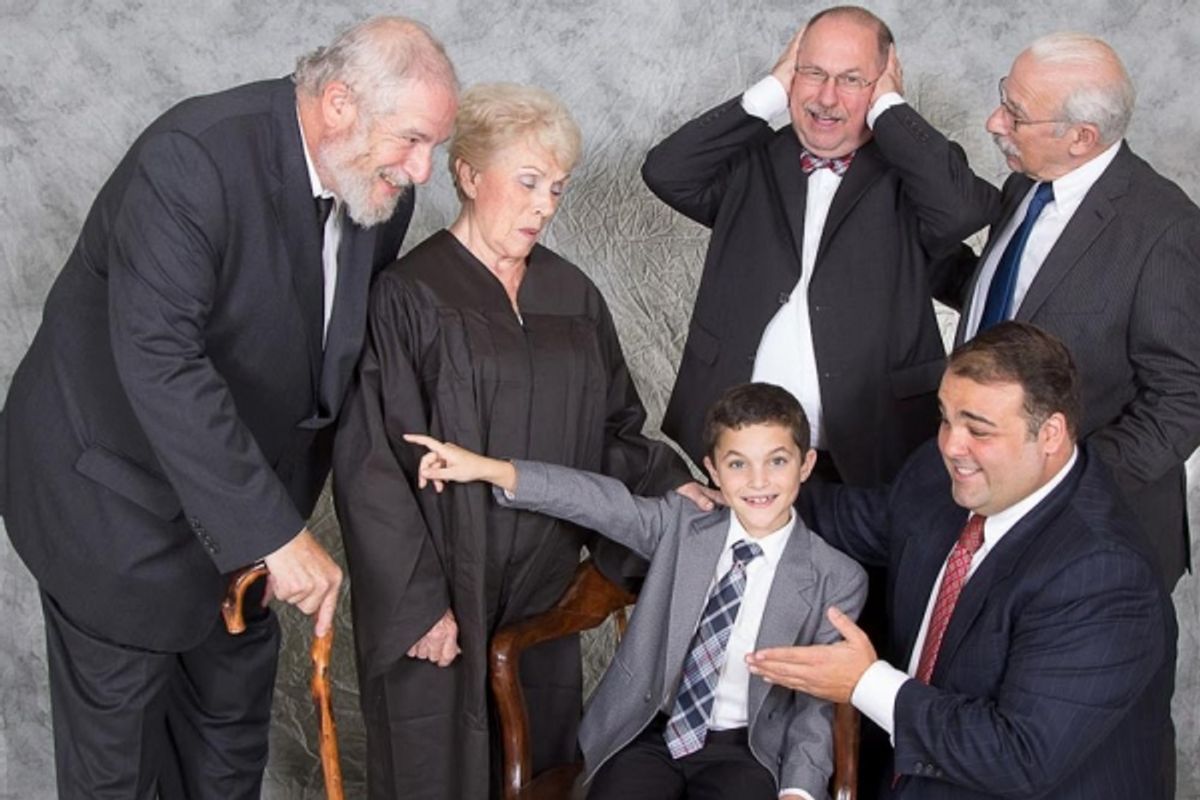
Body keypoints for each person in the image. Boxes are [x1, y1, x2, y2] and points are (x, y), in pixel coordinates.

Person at [0, 16, 457, 798]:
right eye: (412, 140)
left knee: (225, 758)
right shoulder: (193, 159)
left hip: (233, 532)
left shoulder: (374, 191)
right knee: (116, 777)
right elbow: (160, 360)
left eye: (433, 149)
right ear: (339, 104)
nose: (422, 170)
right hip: (110, 510)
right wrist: (277, 535)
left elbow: (328, 374)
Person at [332, 82, 702, 800]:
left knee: (536, 775)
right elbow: (372, 462)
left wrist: (673, 487)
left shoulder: (573, 296)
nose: (544, 206)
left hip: (543, 595)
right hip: (442, 595)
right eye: (528, 182)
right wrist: (416, 604)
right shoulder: (410, 295)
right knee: (431, 771)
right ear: (468, 175)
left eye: (557, 189)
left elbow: (615, 427)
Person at [747, 322, 1177, 799]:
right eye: (946, 418)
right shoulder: (942, 478)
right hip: (904, 774)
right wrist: (740, 495)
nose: (951, 445)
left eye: (978, 428)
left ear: (1051, 433)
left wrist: (865, 683)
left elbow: (1019, 756)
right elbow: (852, 519)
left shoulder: (1104, 575)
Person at [404, 381, 866, 800]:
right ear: (713, 470)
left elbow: (817, 706)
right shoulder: (683, 525)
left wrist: (799, 791)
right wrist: (487, 469)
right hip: (650, 732)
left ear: (806, 465)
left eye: (777, 461)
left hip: (745, 749)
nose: (758, 481)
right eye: (738, 464)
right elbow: (595, 501)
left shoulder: (836, 578)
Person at [642, 5, 999, 487]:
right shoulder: (751, 160)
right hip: (743, 450)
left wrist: (891, 110)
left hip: (870, 452)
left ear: (882, 84)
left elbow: (963, 211)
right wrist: (770, 91)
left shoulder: (913, 173)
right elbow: (666, 171)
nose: (827, 97)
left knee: (858, 565)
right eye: (813, 73)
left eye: (852, 79)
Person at [952, 32, 1200, 587]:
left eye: (1015, 114)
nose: (995, 122)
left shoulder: (1166, 229)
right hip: (996, 508)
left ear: (1082, 137)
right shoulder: (1026, 185)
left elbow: (1185, 398)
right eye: (1003, 98)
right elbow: (1015, 298)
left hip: (1098, 535)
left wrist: (1066, 480)